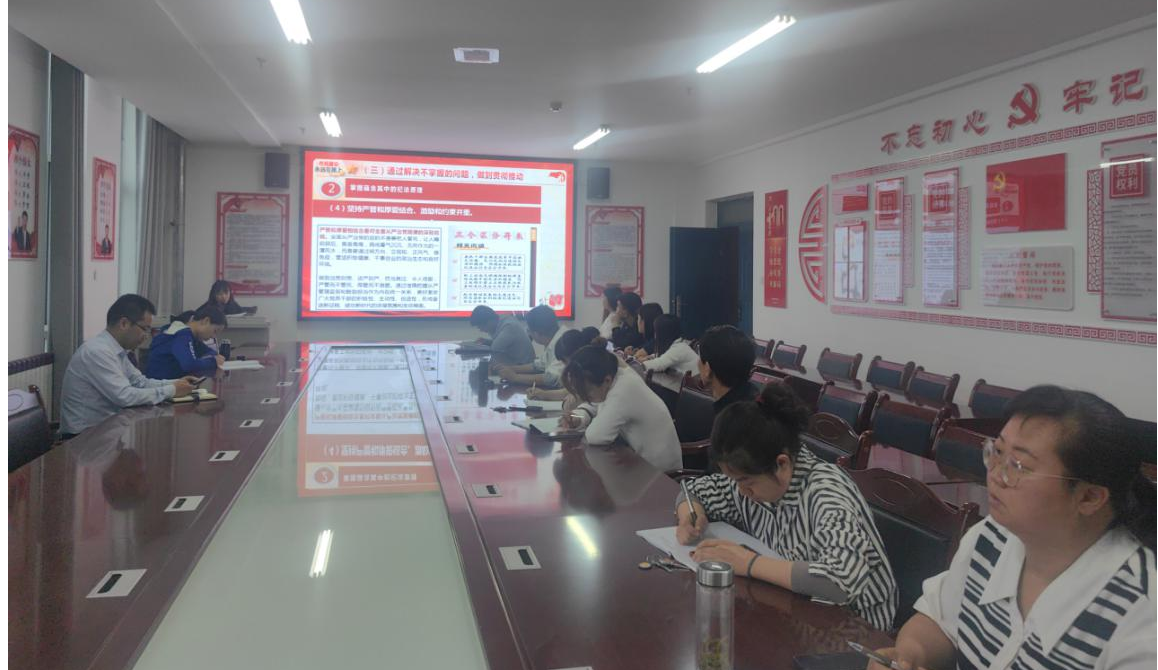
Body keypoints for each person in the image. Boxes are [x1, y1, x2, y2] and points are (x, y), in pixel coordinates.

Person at [868, 386, 1157, 670]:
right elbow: (940, 621)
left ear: (1089, 497)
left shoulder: (1140, 614)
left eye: (1018, 465)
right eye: (997, 451)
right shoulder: (992, 536)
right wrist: (909, 656)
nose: (994, 474)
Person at [677, 383, 898, 631]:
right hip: (793, 610)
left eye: (746, 483)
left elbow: (839, 580)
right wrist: (689, 515)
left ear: (781, 464)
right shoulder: (755, 478)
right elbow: (695, 490)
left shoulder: (827, 492)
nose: (741, 492)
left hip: (853, 629)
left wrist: (748, 563)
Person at [60, 294, 196, 437]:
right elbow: (125, 397)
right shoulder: (97, 352)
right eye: (145, 329)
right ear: (124, 323)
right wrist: (172, 390)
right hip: (83, 438)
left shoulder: (117, 350)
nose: (147, 336)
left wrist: (176, 383)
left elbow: (140, 382)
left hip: (106, 430)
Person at [559, 345, 681, 472]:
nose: (586, 398)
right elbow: (596, 405)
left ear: (606, 380)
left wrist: (587, 419)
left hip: (661, 473)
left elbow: (596, 436)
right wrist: (577, 417)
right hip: (639, 461)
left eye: (588, 393)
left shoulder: (624, 390)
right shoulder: (615, 378)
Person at [493, 305, 567, 387]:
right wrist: (510, 368)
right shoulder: (557, 338)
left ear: (537, 333)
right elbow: (538, 365)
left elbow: (551, 378)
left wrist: (515, 377)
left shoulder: (564, 343)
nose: (528, 333)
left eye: (529, 330)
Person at [145, 306, 227, 379]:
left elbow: (210, 352)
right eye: (215, 331)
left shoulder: (192, 336)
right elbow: (189, 365)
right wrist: (213, 361)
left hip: (172, 384)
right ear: (206, 321)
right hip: (162, 385)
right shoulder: (182, 334)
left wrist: (213, 358)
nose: (213, 336)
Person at [698, 324, 759, 414]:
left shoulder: (728, 418)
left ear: (708, 369)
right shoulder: (754, 399)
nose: (697, 363)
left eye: (699, 357)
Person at [469, 305, 535, 368]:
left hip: (523, 367)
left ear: (490, 321)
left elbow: (494, 350)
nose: (481, 330)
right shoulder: (502, 320)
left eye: (481, 327)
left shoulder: (509, 326)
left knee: (483, 368)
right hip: (516, 363)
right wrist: (486, 342)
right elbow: (504, 344)